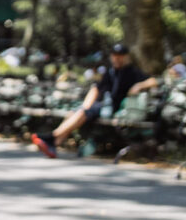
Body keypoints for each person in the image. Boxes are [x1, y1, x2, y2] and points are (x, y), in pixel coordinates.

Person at [31, 43, 160, 158]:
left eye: (120, 55)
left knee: (82, 113)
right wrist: (86, 104)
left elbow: (153, 81)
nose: (117, 58)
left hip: (115, 109)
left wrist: (139, 86)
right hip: (102, 105)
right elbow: (96, 89)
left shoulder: (132, 72)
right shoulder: (110, 72)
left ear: (126, 57)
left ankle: (52, 138)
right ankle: (55, 142)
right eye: (114, 55)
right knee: (76, 112)